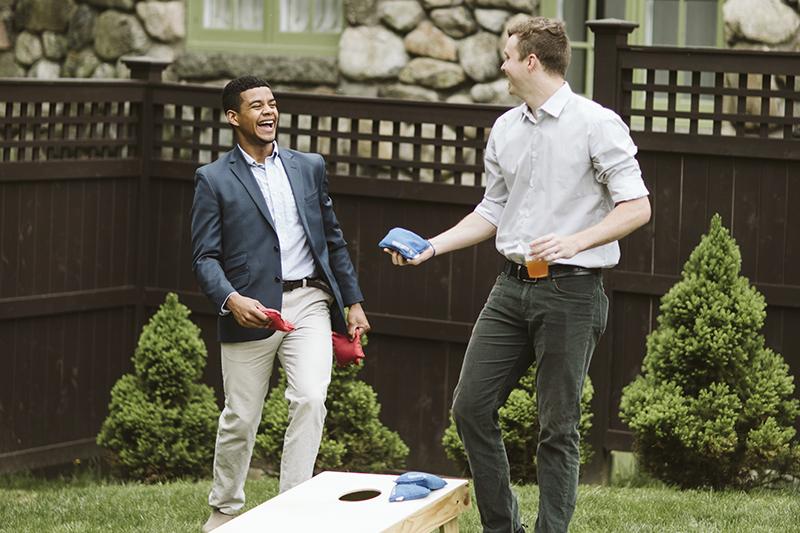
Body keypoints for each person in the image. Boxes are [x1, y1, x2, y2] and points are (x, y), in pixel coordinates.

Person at [385, 16, 651, 533]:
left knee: (558, 426)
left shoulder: (596, 124)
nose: (502, 66)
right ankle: (502, 527)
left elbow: (637, 207)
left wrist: (576, 241)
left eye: (507, 57)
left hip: (572, 290)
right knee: (470, 408)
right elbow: (492, 210)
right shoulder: (506, 128)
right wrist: (431, 247)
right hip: (510, 288)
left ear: (531, 61)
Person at [191, 76, 369, 532]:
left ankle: (292, 510)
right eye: (256, 105)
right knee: (241, 416)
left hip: (310, 301)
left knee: (310, 397)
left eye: (272, 103)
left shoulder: (308, 166)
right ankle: (224, 508)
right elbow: (204, 257)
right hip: (252, 311)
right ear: (234, 117)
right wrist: (231, 299)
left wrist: (352, 301)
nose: (269, 111)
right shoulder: (213, 179)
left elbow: (332, 238)